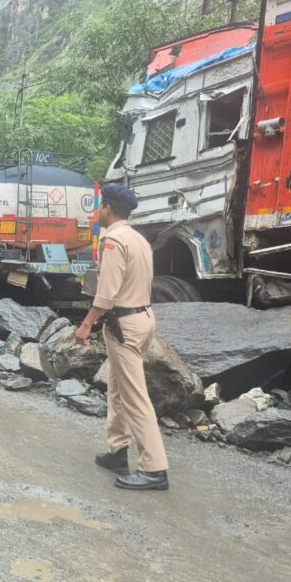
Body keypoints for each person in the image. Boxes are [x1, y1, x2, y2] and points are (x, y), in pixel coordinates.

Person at [74, 183, 169, 491]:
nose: (97, 211)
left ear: (108, 209)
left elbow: (106, 293)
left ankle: (154, 468)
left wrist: (86, 324)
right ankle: (117, 450)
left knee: (134, 396)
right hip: (142, 318)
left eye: (100, 206)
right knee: (117, 388)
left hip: (124, 325)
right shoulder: (139, 239)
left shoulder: (113, 240)